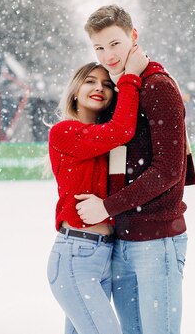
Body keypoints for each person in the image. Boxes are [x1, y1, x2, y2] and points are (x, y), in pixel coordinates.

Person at [75, 4, 191, 334]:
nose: (108, 55)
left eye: (114, 44)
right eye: (99, 47)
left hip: (157, 239)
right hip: (121, 240)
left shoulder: (157, 86)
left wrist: (106, 206)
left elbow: (168, 169)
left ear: (133, 36)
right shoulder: (119, 90)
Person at [47, 52, 149, 334]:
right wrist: (129, 77)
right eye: (90, 81)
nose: (99, 88)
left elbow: (122, 130)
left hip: (103, 257)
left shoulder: (106, 140)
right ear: (75, 92)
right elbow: (123, 129)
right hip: (75, 257)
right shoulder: (64, 132)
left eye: (106, 84)